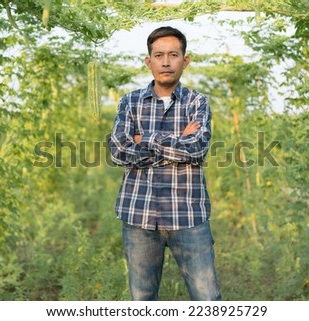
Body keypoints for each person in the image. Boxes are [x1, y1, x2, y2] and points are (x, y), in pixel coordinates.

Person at [109, 26, 221, 301]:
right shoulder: (130, 102)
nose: (166, 61)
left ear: (186, 60)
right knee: (142, 300)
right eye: (158, 55)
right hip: (139, 216)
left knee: (207, 299)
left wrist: (142, 139)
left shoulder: (198, 102)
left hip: (188, 216)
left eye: (173, 54)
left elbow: (195, 148)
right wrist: (176, 140)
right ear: (149, 61)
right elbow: (118, 152)